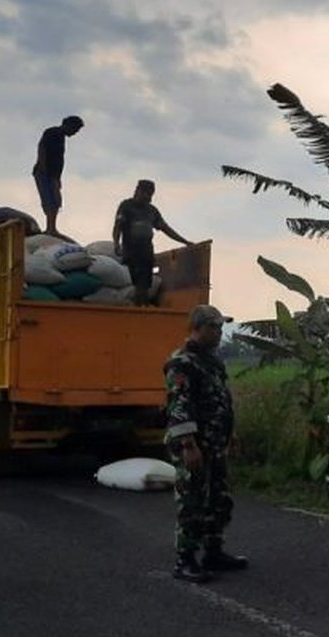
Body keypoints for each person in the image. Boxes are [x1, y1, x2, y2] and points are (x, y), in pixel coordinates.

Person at [164, 304, 246, 583]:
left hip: (214, 443)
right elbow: (179, 406)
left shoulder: (212, 362)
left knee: (218, 499)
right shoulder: (182, 362)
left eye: (221, 327)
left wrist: (229, 434)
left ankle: (213, 551)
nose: (219, 332)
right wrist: (188, 445)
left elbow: (220, 401)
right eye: (214, 327)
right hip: (195, 444)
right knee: (192, 501)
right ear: (197, 328)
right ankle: (185, 559)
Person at [112, 179, 194, 306]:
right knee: (133, 281)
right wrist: (116, 243)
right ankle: (135, 308)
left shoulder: (151, 210)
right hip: (131, 251)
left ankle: (143, 308)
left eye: (150, 195)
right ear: (138, 191)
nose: (148, 198)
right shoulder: (126, 206)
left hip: (146, 252)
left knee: (145, 283)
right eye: (146, 194)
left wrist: (184, 241)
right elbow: (118, 227)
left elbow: (166, 228)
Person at [31, 116, 85, 237]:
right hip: (45, 173)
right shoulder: (52, 132)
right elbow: (42, 148)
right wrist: (44, 168)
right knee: (49, 200)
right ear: (69, 125)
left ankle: (52, 227)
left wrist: (57, 178)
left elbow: (58, 159)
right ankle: (50, 228)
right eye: (75, 129)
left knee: (56, 200)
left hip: (53, 175)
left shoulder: (61, 137)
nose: (75, 133)